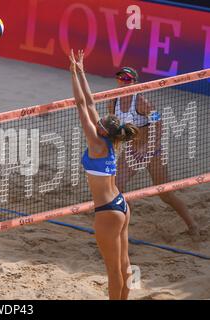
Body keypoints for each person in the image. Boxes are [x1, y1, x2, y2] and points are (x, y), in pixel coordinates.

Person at [69, 49, 139, 299]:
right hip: (121, 204)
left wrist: (73, 74)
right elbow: (90, 102)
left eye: (99, 122)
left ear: (102, 130)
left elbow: (81, 104)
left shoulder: (96, 143)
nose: (96, 121)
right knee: (124, 263)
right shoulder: (109, 141)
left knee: (113, 271)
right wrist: (80, 70)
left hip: (108, 211)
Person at [108, 67, 199, 239]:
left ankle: (192, 224)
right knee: (115, 187)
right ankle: (123, 226)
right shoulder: (113, 103)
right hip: (132, 151)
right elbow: (115, 128)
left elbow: (159, 126)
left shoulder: (142, 102)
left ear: (135, 82)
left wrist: (148, 147)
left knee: (165, 194)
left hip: (153, 151)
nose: (122, 81)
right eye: (120, 78)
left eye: (127, 79)